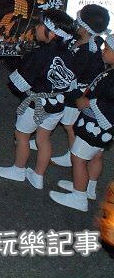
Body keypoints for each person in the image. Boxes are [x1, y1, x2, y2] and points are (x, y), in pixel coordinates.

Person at [0, 9, 78, 191]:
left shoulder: (40, 54)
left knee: (21, 136)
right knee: (43, 138)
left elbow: (18, 84)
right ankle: (38, 175)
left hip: (36, 104)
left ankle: (19, 170)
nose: (36, 28)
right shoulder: (70, 54)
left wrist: (15, 63)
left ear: (52, 33)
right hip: (57, 104)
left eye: (40, 25)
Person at [49, 31, 114, 211]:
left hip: (96, 126)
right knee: (96, 156)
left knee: (78, 158)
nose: (103, 51)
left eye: (108, 49)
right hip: (103, 131)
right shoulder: (109, 71)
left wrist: (87, 102)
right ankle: (88, 188)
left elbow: (106, 102)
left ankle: (79, 197)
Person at [42, 4, 110, 167]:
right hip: (69, 88)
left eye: (78, 23)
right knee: (57, 114)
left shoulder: (89, 52)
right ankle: (41, 135)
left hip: (76, 93)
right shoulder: (78, 41)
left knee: (69, 125)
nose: (75, 26)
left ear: (85, 29)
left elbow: (74, 74)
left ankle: (72, 154)